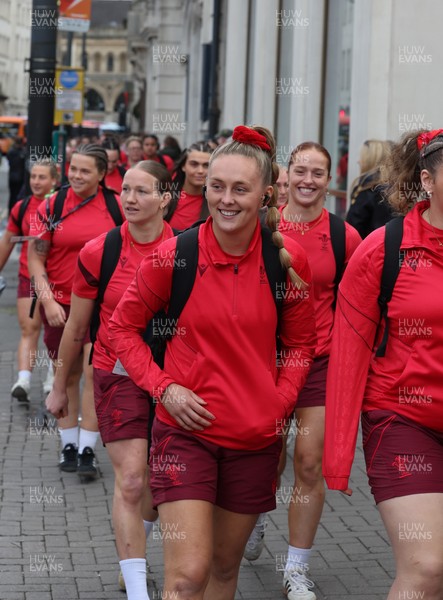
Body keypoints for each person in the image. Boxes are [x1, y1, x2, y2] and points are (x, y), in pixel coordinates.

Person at [108, 125, 317, 600]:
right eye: (216, 187)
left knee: (224, 571)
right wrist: (166, 388)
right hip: (184, 436)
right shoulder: (173, 256)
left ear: (266, 195)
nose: (225, 199)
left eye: (240, 189)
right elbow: (121, 329)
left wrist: (278, 404)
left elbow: (303, 345)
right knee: (186, 577)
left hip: (253, 440)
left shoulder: (286, 260)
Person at [323, 129, 443, 600]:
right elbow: (350, 348)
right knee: (427, 568)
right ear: (427, 181)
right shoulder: (383, 248)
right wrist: (334, 450)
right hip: (403, 418)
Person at [45, 161, 174, 600]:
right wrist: (60, 385)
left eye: (142, 191)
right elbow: (76, 328)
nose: (131, 199)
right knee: (133, 479)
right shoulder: (100, 251)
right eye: (126, 192)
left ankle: (136, 546)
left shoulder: (186, 248)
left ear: (165, 199)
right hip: (115, 371)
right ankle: (137, 586)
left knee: (159, 489)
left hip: (173, 375)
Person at [244, 142, 361, 600]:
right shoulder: (264, 227)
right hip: (265, 361)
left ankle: (295, 569)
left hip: (321, 361)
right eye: (301, 171)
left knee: (309, 463)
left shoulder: (343, 236)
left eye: (318, 173)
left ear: (329, 181)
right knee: (264, 457)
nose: (308, 180)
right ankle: (251, 517)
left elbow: (356, 303)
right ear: (284, 177)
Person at [28, 144, 124, 478]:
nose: (77, 175)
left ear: (101, 173)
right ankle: (68, 443)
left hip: (103, 306)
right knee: (65, 374)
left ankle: (87, 448)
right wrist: (48, 300)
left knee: (95, 373)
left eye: (85, 170)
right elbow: (36, 257)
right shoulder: (52, 204)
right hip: (60, 306)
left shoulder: (115, 205)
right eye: (73, 169)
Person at [0, 159, 58, 402]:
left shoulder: (62, 206)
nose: (36, 181)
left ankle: (52, 380)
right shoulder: (21, 207)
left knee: (56, 332)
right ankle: (23, 379)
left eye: (42, 177)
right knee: (29, 328)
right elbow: (7, 241)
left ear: (54, 181)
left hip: (57, 277)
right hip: (27, 275)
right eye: (33, 177)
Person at [346, 139, 394, 238]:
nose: (358, 161)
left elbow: (353, 228)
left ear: (370, 160)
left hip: (366, 248)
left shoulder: (366, 189)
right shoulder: (393, 188)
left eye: (362, 158)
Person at [165, 142, 213, 230]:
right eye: (194, 164)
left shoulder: (216, 200)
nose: (200, 171)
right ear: (183, 166)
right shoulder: (166, 195)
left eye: (206, 165)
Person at [7, 136, 27, 213]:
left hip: (12, 177)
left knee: (12, 196)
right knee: (18, 197)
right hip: (20, 178)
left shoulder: (11, 151)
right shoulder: (22, 152)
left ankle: (10, 213)